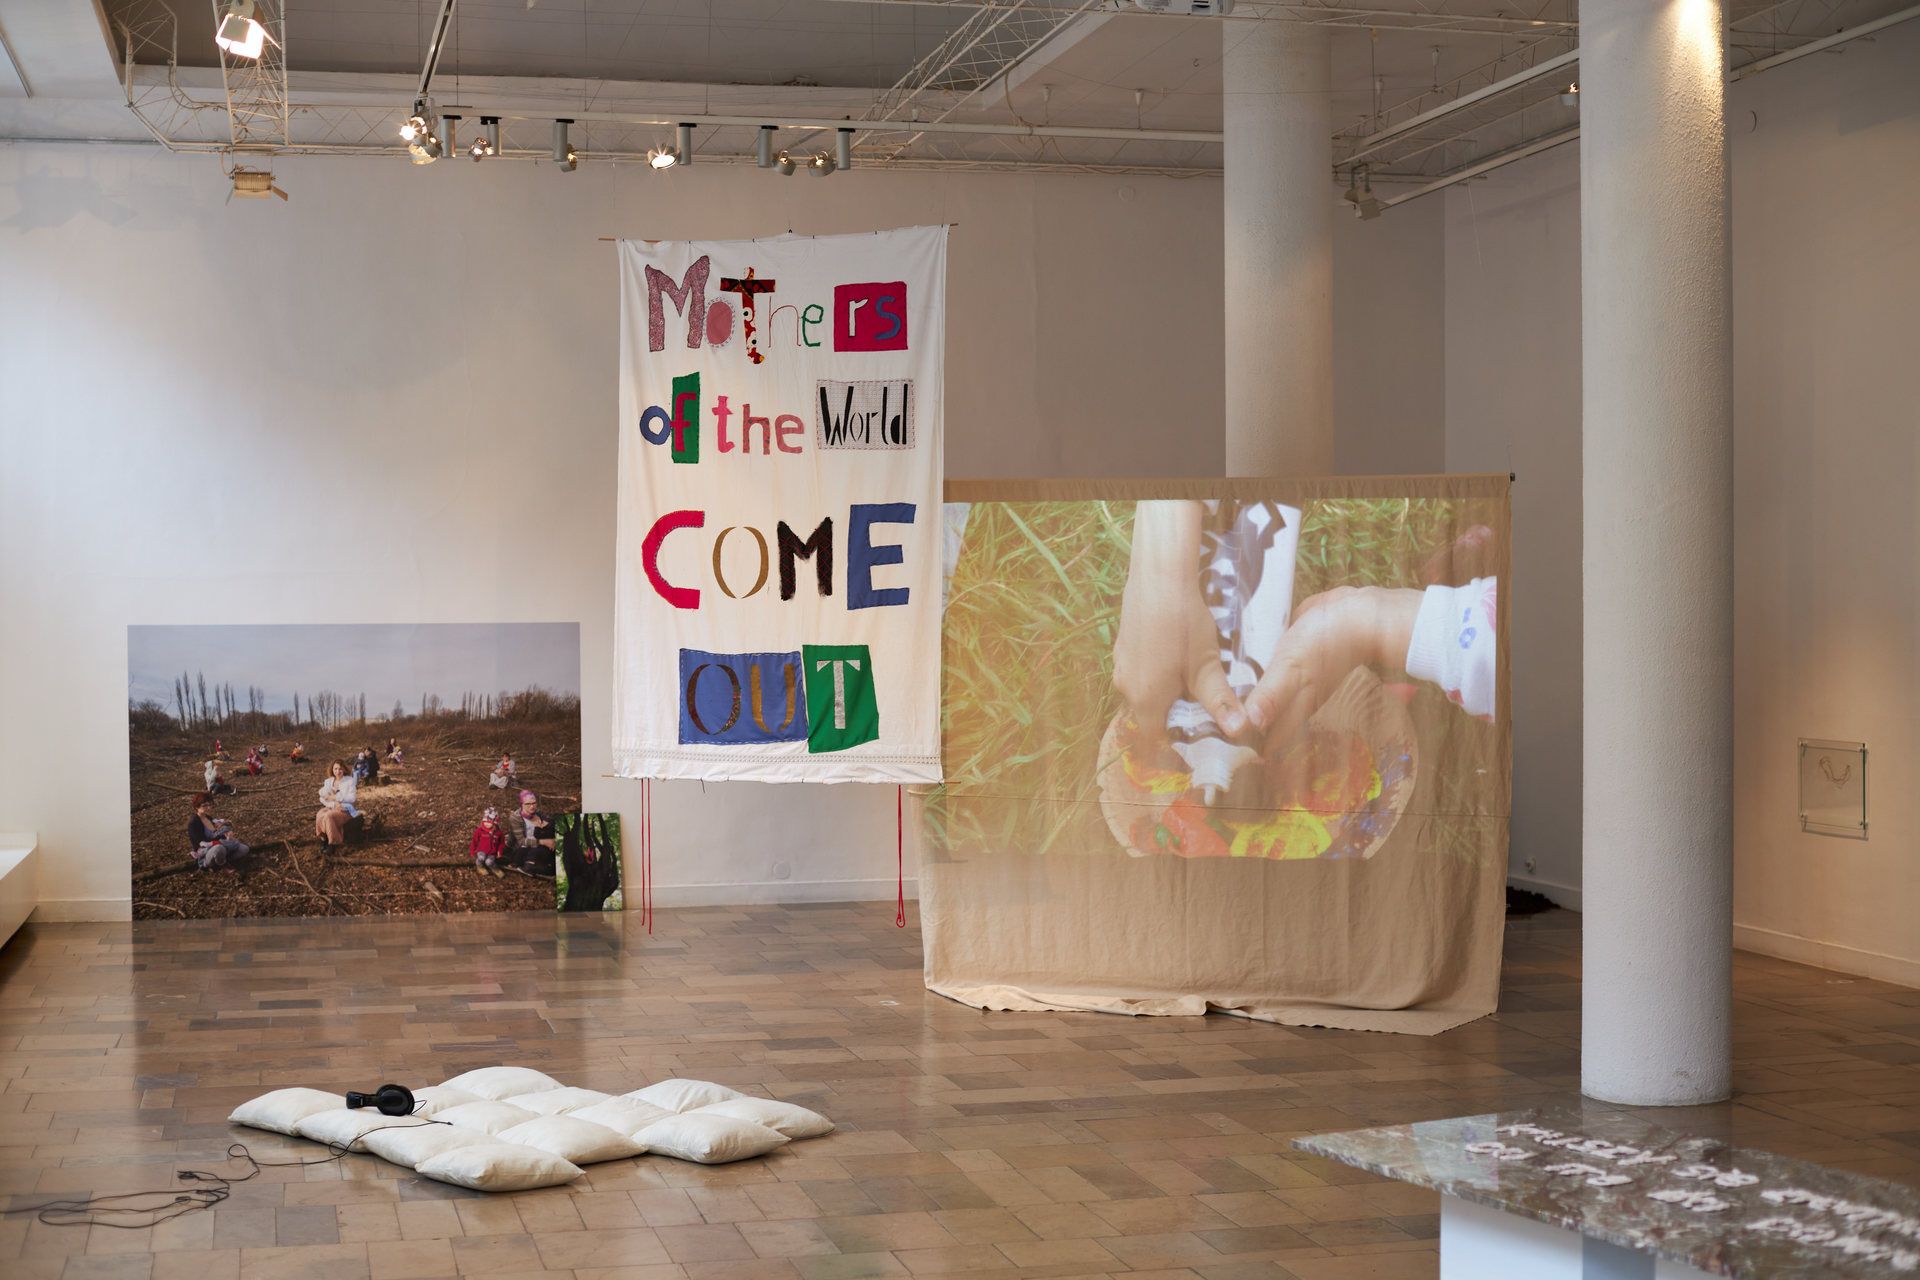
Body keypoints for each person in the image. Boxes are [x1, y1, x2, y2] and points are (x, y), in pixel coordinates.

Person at [187, 793, 249, 870]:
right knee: (219, 848)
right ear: (197, 807)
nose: (209, 808)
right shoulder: (193, 823)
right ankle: (221, 864)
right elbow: (201, 843)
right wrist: (221, 839)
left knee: (244, 849)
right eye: (204, 805)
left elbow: (216, 834)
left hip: (219, 845)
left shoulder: (208, 818)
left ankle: (222, 860)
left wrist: (227, 836)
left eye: (209, 805)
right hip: (205, 853)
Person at [508, 790, 556, 876]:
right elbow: (521, 841)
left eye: (534, 803)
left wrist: (552, 840)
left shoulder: (538, 813)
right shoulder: (515, 818)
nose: (532, 806)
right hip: (523, 848)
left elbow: (549, 825)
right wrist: (544, 842)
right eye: (528, 804)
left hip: (540, 847)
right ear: (522, 804)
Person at [315, 760, 360, 847]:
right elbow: (322, 798)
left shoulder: (349, 781)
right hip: (332, 807)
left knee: (329, 816)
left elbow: (352, 798)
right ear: (332, 770)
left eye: (340, 769)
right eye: (335, 769)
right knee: (320, 814)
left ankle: (333, 843)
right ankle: (324, 838)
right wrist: (333, 804)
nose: (338, 771)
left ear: (344, 769)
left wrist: (336, 797)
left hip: (345, 809)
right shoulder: (328, 781)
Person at [469, 807, 509, 877]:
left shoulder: (498, 833)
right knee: (481, 857)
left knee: (489, 862)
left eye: (489, 822)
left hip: (492, 852)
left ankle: (495, 868)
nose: (487, 824)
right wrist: (472, 850)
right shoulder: (480, 830)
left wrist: (499, 851)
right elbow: (474, 841)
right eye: (485, 822)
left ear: (494, 823)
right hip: (481, 850)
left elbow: (501, 843)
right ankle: (480, 866)